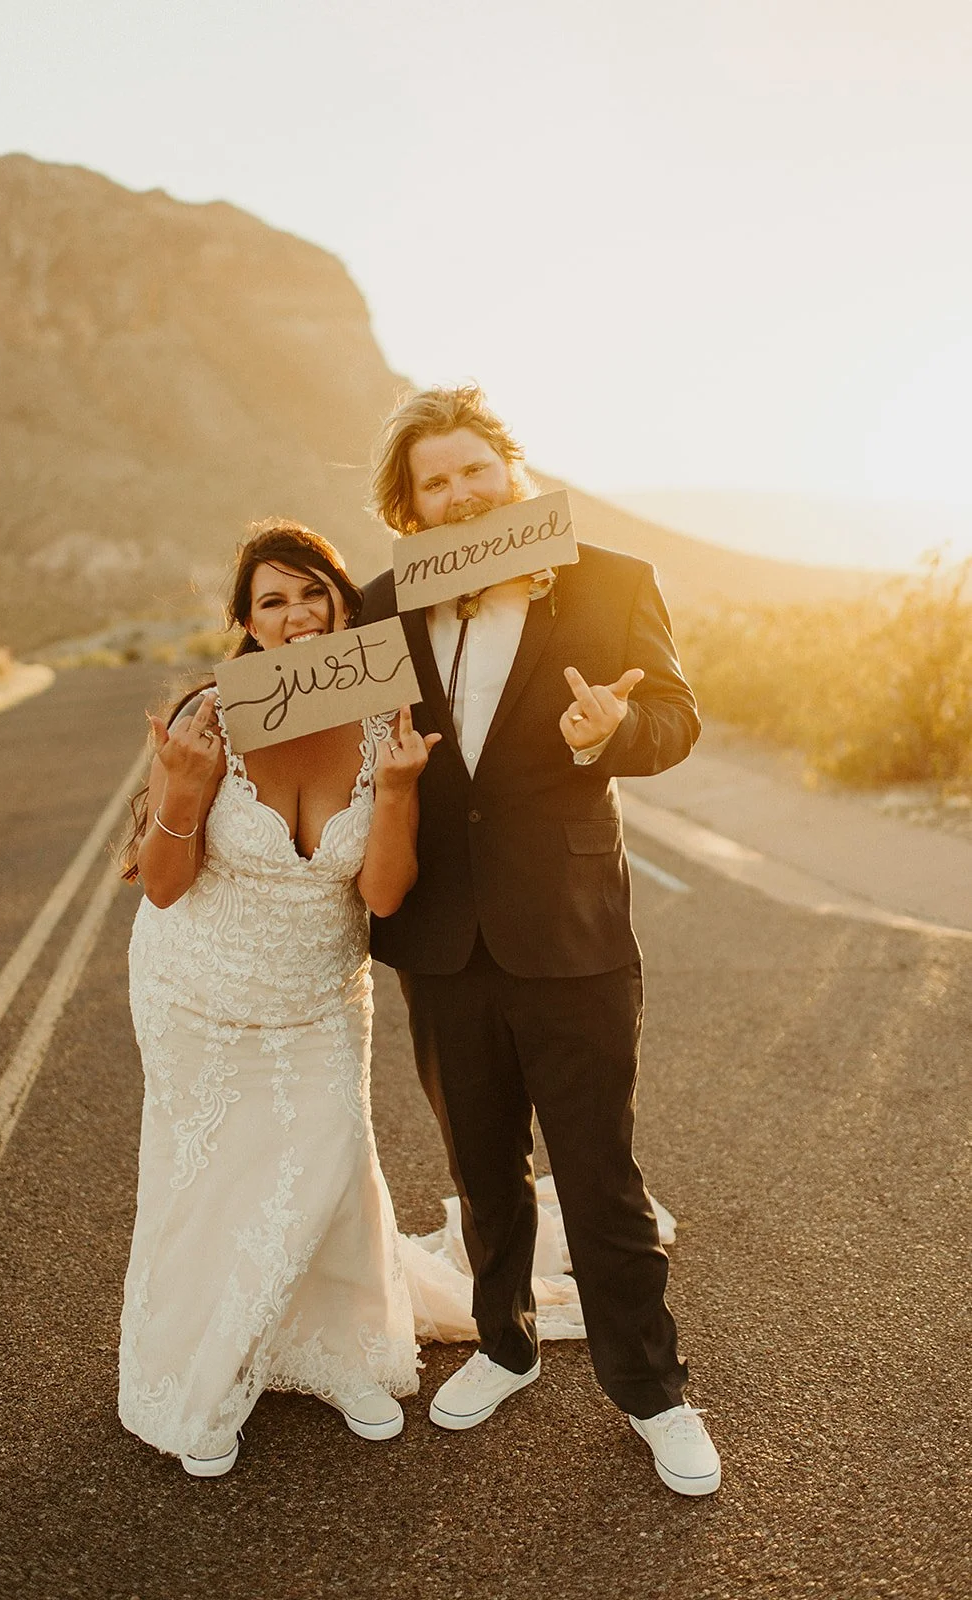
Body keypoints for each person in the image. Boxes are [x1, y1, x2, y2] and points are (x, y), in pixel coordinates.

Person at [359, 385, 722, 1497]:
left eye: (475, 469)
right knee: (479, 1166)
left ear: (510, 471)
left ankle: (652, 1390)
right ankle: (505, 1342)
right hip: (438, 933)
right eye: (435, 481)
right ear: (411, 507)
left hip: (569, 928)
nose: (459, 491)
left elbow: (674, 716)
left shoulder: (610, 581)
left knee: (598, 1169)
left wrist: (613, 730)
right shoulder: (383, 602)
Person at [117, 519, 439, 1477]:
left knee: (328, 1164)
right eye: (272, 601)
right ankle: (203, 1373)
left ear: (343, 605)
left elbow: (381, 895)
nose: (296, 615)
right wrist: (183, 787)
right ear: (245, 624)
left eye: (312, 594)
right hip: (195, 987)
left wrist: (399, 791)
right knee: (211, 1177)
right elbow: (165, 884)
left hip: (316, 993)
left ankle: (340, 1354)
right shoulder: (210, 715)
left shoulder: (386, 718)